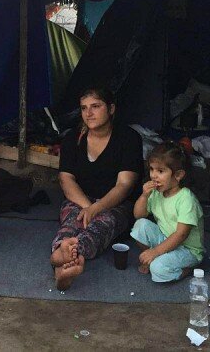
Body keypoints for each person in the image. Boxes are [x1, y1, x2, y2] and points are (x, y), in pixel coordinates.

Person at [51, 87, 143, 290]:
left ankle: (66, 259)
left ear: (111, 109)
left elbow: (124, 185)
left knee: (102, 224)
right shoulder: (72, 138)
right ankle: (64, 254)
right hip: (80, 199)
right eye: (84, 108)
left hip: (116, 203)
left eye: (95, 106)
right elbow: (66, 179)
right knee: (71, 221)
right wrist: (87, 206)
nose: (88, 113)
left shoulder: (128, 138)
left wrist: (96, 208)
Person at [131, 141, 204, 282]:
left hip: (187, 249)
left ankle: (186, 269)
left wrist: (156, 251)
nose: (153, 175)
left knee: (158, 270)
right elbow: (138, 215)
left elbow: (181, 234)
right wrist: (144, 196)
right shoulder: (157, 193)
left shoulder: (186, 199)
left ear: (178, 175)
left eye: (160, 171)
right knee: (140, 226)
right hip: (166, 239)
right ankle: (156, 259)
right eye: (151, 169)